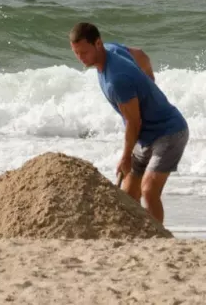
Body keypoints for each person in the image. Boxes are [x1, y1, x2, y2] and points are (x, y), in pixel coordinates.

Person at [68, 21, 189, 225]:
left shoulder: (117, 80)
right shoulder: (111, 49)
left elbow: (134, 122)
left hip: (169, 132)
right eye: (76, 53)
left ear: (98, 43)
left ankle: (159, 240)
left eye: (84, 52)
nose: (81, 58)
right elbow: (141, 54)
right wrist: (149, 83)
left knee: (149, 190)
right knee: (128, 196)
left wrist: (125, 157)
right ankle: (135, 239)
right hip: (145, 136)